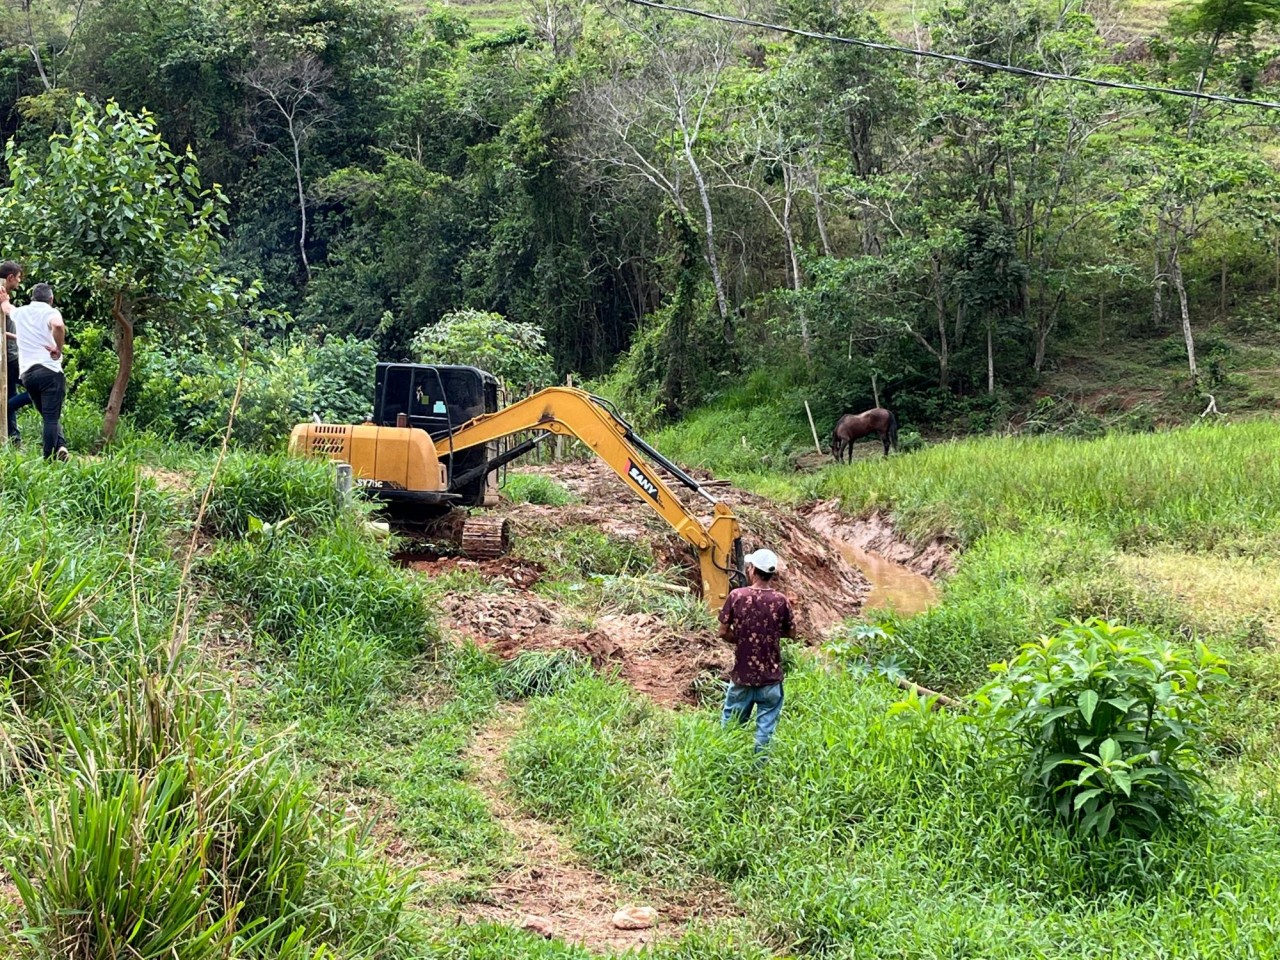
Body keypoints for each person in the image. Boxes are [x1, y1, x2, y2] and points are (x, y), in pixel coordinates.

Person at [718, 547, 794, 752]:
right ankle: (759, 770)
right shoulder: (781, 601)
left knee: (731, 727)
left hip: (742, 676)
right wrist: (769, 635)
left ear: (752, 569)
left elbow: (722, 631)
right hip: (770, 679)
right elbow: (792, 633)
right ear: (772, 574)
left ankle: (727, 762)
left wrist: (742, 639)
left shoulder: (736, 596)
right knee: (765, 731)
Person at [13, 282, 68, 460]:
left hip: (28, 374)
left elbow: (6, 307)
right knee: (51, 418)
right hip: (49, 371)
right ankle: (48, 459)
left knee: (47, 415)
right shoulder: (50, 312)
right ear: (51, 299)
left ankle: (60, 446)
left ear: (32, 298)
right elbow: (58, 326)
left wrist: (4, 299)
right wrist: (58, 349)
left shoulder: (20, 312)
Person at [0, 261, 32, 443]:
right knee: (38, 389)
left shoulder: (5, 297)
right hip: (9, 358)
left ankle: (14, 439)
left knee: (9, 394)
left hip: (10, 356)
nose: (19, 281)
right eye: (18, 277)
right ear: (10, 277)